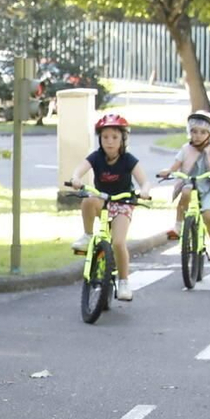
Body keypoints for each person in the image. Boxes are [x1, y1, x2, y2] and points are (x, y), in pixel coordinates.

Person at [64, 112, 154, 300]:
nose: (109, 142)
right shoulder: (96, 157)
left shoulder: (128, 159)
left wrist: (144, 190)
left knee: (119, 242)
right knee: (88, 199)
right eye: (105, 137)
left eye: (115, 137)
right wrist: (76, 178)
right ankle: (88, 235)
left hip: (123, 203)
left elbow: (144, 181)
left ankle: (123, 282)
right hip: (102, 200)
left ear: (123, 139)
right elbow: (80, 169)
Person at [157, 111, 210, 270]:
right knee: (185, 193)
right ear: (189, 133)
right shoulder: (185, 149)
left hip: (207, 188)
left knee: (208, 215)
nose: (197, 136)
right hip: (189, 184)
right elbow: (175, 166)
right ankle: (178, 226)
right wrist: (168, 171)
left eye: (203, 132)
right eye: (194, 131)